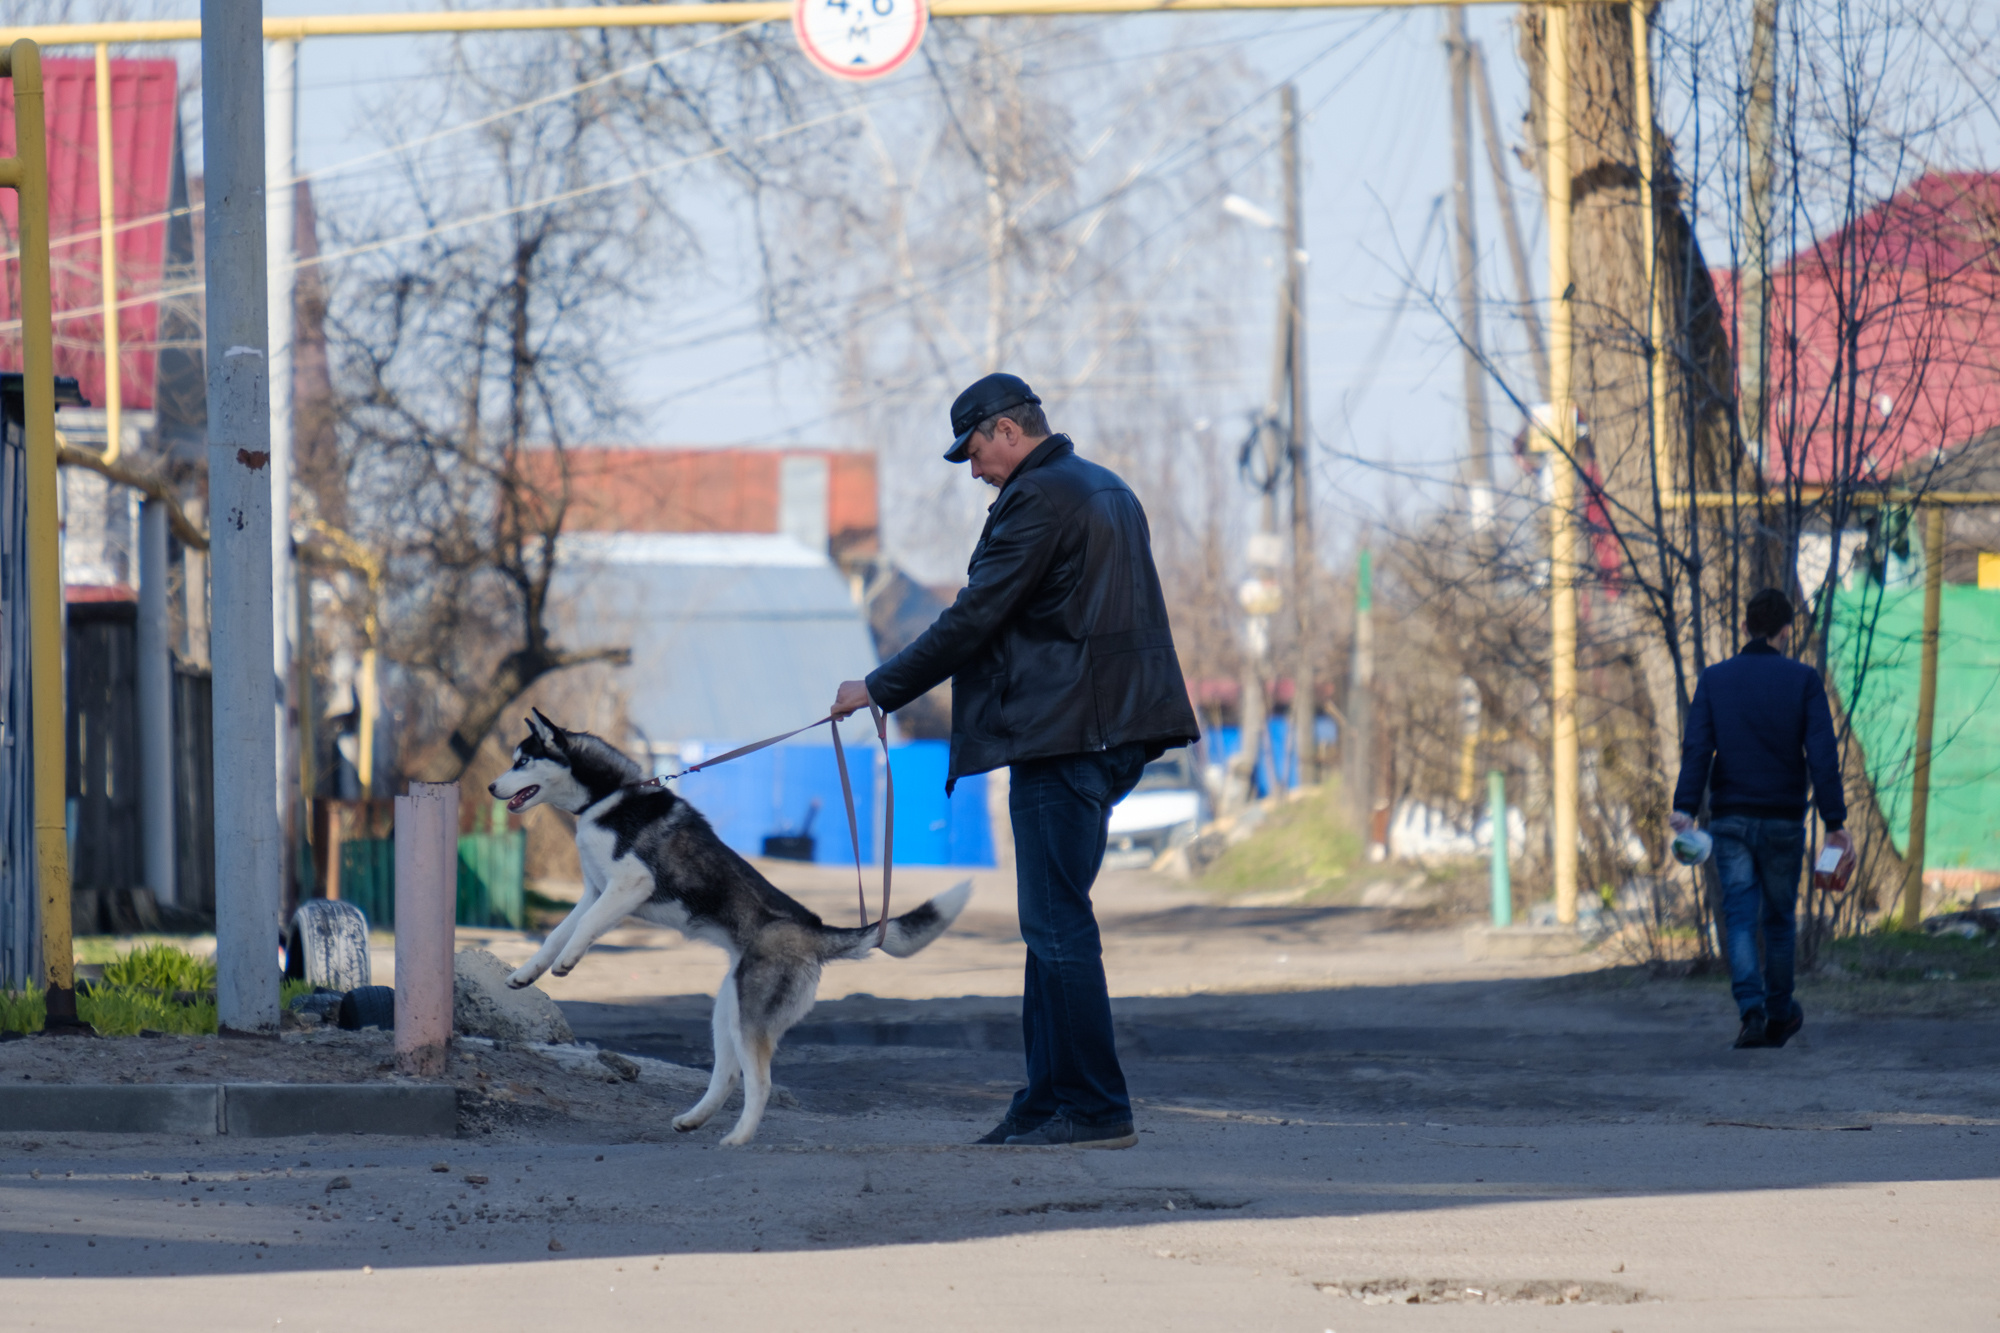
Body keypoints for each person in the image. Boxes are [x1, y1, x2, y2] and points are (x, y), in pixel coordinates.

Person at [832, 373, 1200, 1149]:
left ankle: (1097, 1105)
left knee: (1057, 924)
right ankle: (1046, 1097)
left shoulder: (1040, 498)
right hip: (1110, 732)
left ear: (1005, 430)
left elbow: (974, 618)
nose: (972, 472)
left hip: (1065, 733)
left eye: (973, 452)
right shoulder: (1106, 489)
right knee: (1050, 923)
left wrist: (878, 686)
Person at [1671, 587, 1851, 1050]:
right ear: (1786, 631)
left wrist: (1685, 808)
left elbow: (1697, 749)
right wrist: (1834, 820)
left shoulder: (1715, 680)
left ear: (1747, 628)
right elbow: (1822, 755)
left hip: (1729, 819)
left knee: (1738, 916)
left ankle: (1750, 1011)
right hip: (1784, 822)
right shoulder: (1803, 680)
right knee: (1778, 920)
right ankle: (1779, 1013)